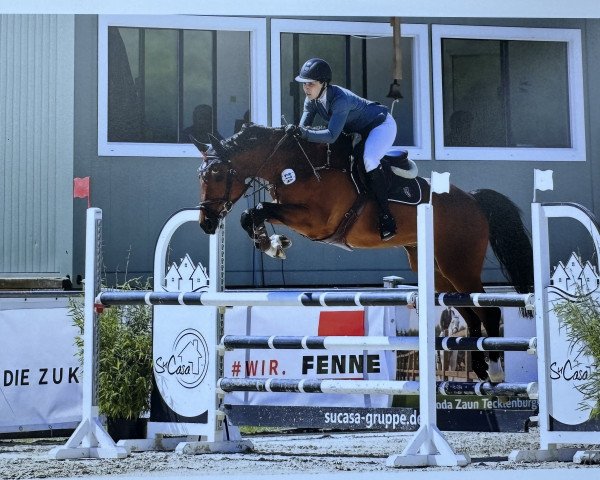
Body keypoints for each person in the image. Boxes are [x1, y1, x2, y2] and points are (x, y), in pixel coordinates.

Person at [285, 58, 398, 241]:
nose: (306, 88)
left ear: (324, 83)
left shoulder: (340, 100)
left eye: (311, 84)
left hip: (380, 126)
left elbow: (330, 136)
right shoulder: (311, 100)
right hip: (358, 131)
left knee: (368, 160)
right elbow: (302, 130)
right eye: (304, 83)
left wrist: (302, 133)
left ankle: (386, 216)